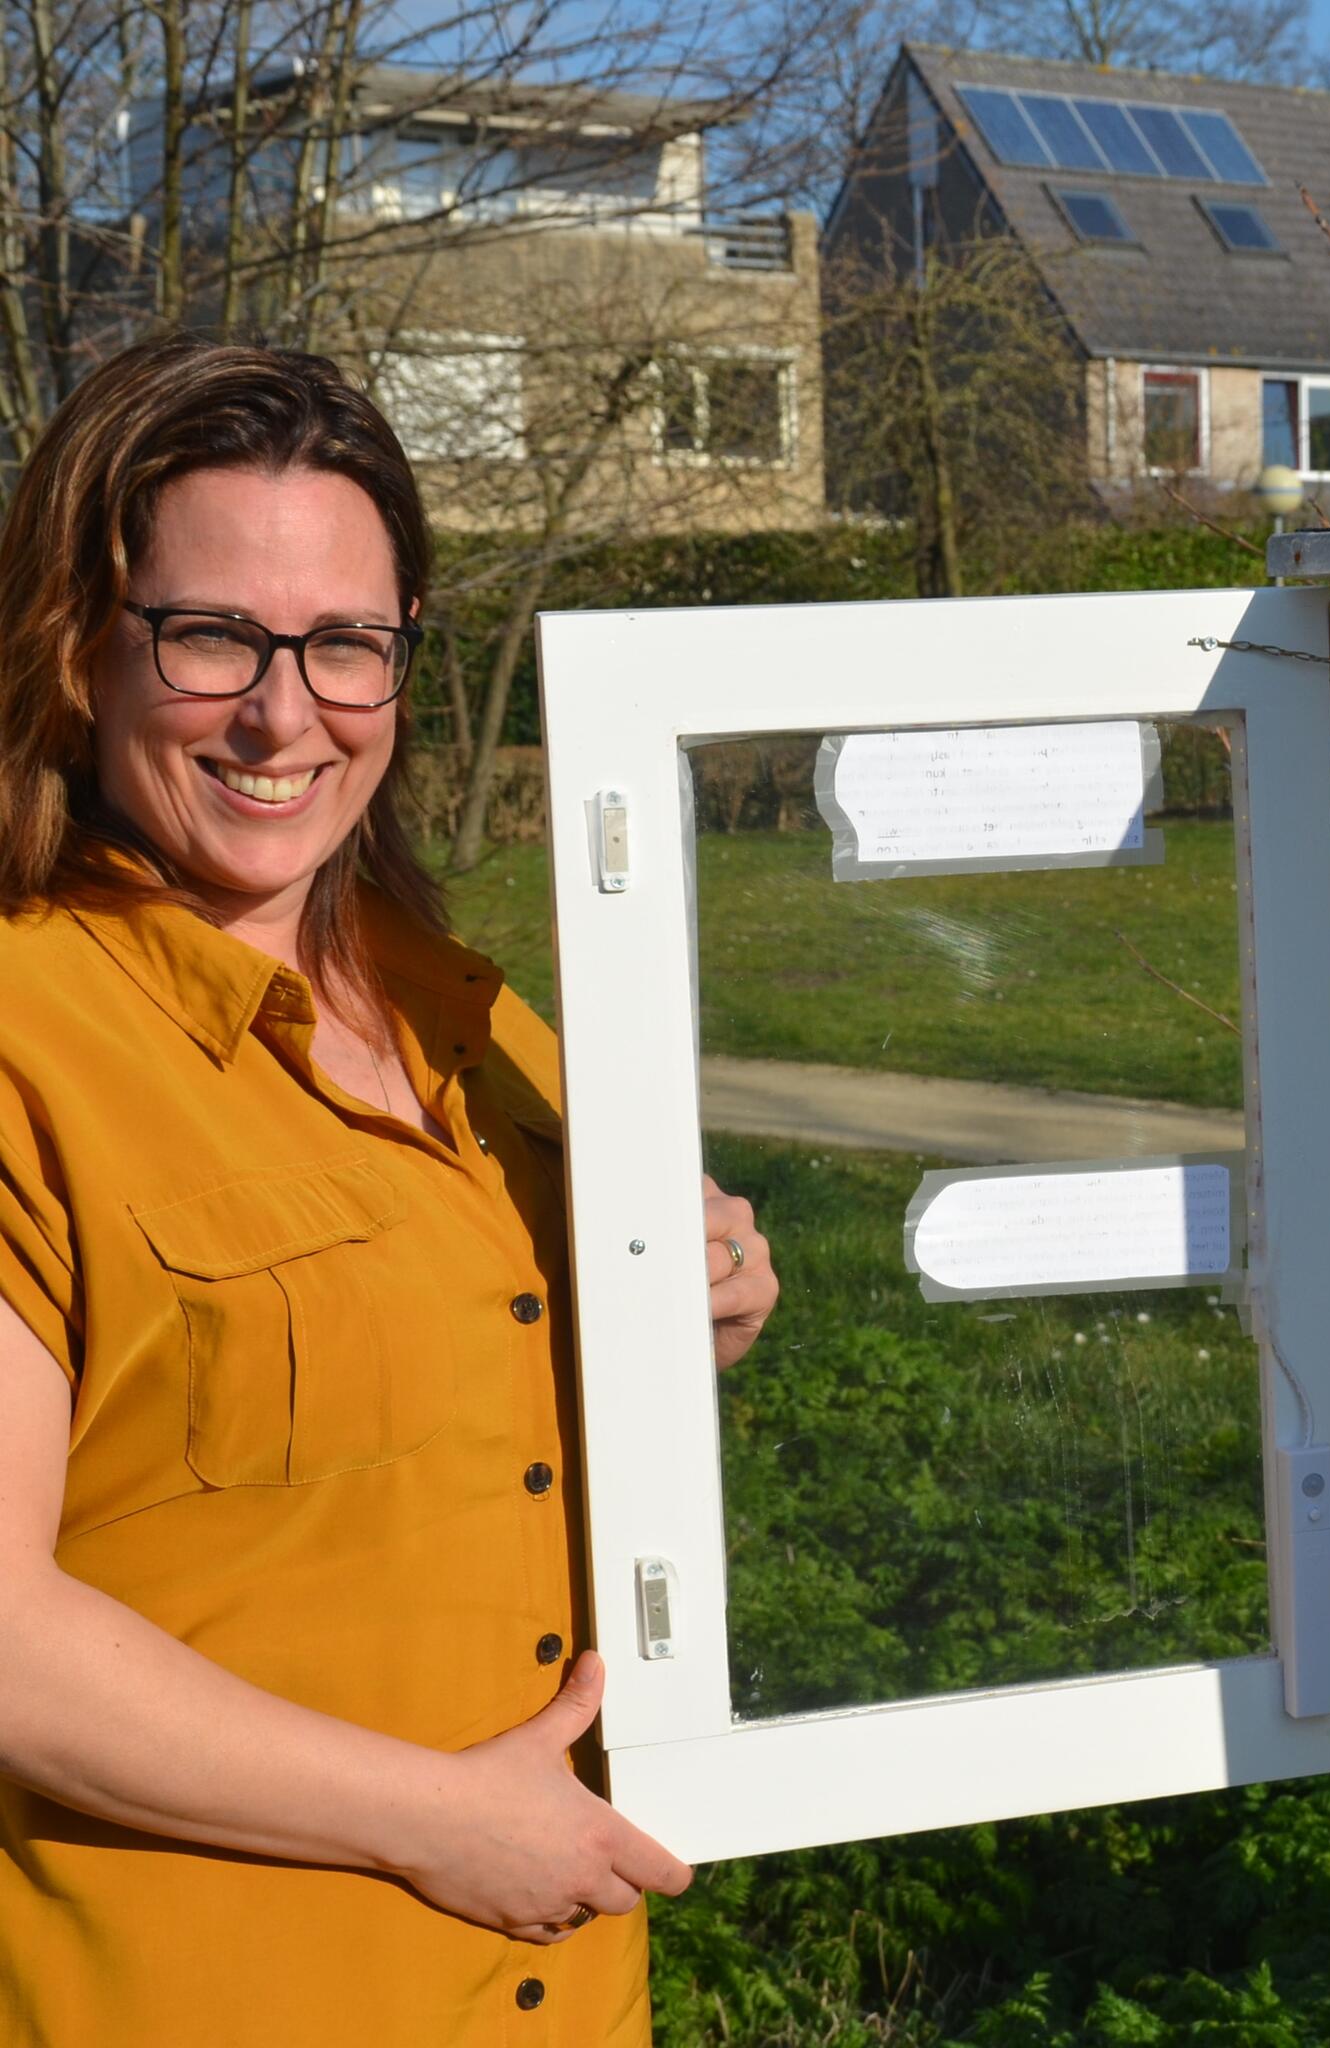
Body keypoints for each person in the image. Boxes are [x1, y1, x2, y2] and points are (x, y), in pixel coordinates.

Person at [0, 335, 779, 2044]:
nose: (285, 714)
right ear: (77, 651)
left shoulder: (476, 1019)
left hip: (556, 1997)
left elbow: (466, 1408)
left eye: (346, 643)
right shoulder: (24, 1042)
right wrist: (440, 1821)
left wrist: (682, 1304)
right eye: (212, 636)